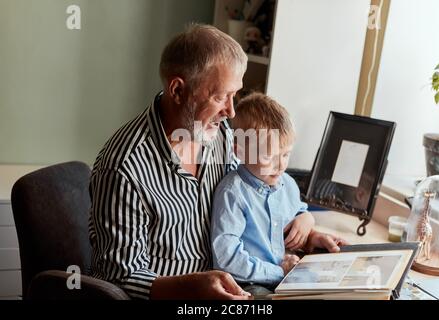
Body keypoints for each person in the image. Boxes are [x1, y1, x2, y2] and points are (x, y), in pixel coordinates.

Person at [88, 23, 348, 300]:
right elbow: (118, 279)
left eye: (234, 95)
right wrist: (191, 288)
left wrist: (304, 229)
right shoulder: (123, 169)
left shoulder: (220, 135)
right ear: (177, 90)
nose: (231, 110)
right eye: (220, 96)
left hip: (235, 285)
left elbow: (254, 201)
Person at [211, 93, 332, 296]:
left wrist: (309, 231)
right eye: (269, 156)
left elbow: (293, 222)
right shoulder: (232, 193)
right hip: (248, 283)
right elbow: (227, 259)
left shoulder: (287, 184)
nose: (281, 165)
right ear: (239, 151)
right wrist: (279, 271)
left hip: (286, 273)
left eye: (286, 154)